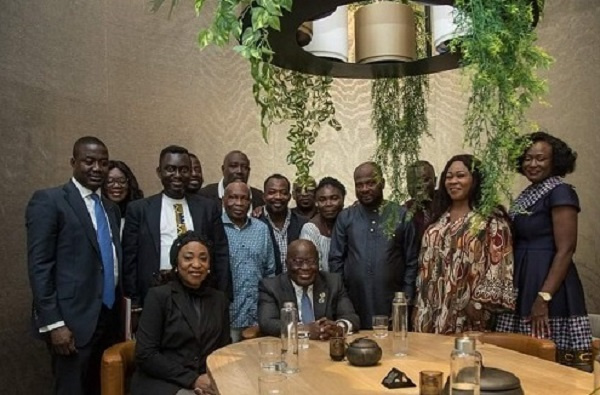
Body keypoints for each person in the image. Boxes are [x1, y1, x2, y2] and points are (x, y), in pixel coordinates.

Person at [26, 136, 121, 395]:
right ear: (73, 162)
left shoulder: (110, 209)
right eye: (88, 161)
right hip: (72, 322)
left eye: (103, 163)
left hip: (107, 318)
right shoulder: (50, 201)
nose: (97, 168)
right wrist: (54, 324)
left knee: (100, 387)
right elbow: (40, 265)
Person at [496, 132, 593, 371]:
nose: (532, 164)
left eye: (540, 158)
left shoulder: (560, 191)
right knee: (518, 362)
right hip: (524, 278)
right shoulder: (528, 193)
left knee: (549, 359)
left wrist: (544, 297)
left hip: (549, 284)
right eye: (527, 158)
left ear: (554, 161)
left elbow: (566, 249)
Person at [413, 154, 515, 334]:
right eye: (449, 176)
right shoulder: (439, 218)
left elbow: (499, 268)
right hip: (429, 314)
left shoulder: (491, 221)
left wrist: (477, 307)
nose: (453, 181)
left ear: (475, 180)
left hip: (467, 319)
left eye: (460, 175)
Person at [122, 145, 230, 307]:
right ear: (159, 172)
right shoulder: (139, 210)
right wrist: (134, 302)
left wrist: (222, 296)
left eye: (184, 170)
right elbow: (129, 260)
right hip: (155, 295)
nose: (177, 175)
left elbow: (221, 254)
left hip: (200, 294)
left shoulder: (208, 208)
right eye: (170, 169)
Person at [132, 231, 230, 395]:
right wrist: (193, 380)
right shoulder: (158, 296)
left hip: (207, 382)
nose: (196, 264)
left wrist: (211, 379)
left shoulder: (220, 299)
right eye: (188, 258)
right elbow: (145, 355)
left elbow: (223, 349)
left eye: (203, 258)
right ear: (176, 263)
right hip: (163, 382)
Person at [329, 162, 418, 329]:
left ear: (382, 183)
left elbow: (412, 262)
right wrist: (342, 301)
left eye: (371, 183)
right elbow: (336, 261)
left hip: (393, 301)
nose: (364, 189)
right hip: (354, 302)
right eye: (359, 185)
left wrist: (405, 300)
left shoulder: (401, 215)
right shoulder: (346, 218)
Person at [258, 240, 360, 338]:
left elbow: (352, 317)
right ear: (287, 264)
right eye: (298, 262)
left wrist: (338, 328)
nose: (306, 267)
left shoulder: (333, 282)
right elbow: (267, 323)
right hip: (291, 350)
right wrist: (304, 330)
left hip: (324, 349)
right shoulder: (271, 286)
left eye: (311, 262)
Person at [222, 181, 276, 342]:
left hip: (256, 316)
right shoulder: (215, 227)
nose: (238, 203)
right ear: (223, 200)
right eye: (233, 197)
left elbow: (270, 272)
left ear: (250, 203)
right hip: (227, 316)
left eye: (244, 198)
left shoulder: (261, 229)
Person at [257, 174, 308, 274]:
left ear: (289, 196)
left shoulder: (303, 224)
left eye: (283, 193)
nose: (278, 197)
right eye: (272, 192)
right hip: (267, 286)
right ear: (264, 196)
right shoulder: (255, 223)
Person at [300, 177, 346, 272]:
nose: (328, 204)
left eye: (334, 198)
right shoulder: (310, 229)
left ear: (343, 199)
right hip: (322, 285)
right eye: (322, 199)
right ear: (316, 202)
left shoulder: (351, 223)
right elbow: (312, 268)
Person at [199, 150, 264, 210]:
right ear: (223, 169)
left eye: (244, 167)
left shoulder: (259, 197)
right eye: (233, 166)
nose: (239, 171)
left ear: (249, 171)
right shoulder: (204, 195)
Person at [102, 160, 144, 230]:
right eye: (110, 181)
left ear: (129, 183)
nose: (116, 185)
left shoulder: (140, 213)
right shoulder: (96, 214)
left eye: (122, 181)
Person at [403, 160, 436, 244]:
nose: (418, 185)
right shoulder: (403, 213)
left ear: (435, 181)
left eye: (425, 180)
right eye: (413, 182)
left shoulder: (448, 205)